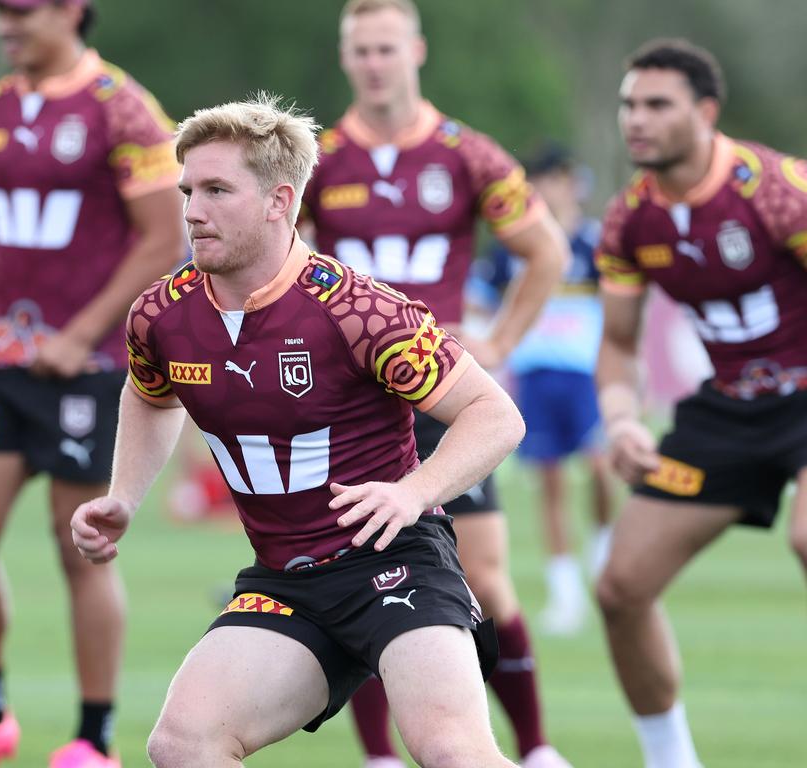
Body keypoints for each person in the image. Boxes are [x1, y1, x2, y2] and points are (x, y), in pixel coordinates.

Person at [72, 93, 524, 768]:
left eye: (218, 190)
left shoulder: (357, 309)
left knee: (450, 750)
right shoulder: (161, 315)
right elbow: (150, 395)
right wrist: (124, 497)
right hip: (285, 583)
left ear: (279, 201)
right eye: (188, 189)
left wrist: (411, 492)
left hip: (394, 563)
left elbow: (495, 416)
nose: (193, 210)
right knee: (182, 745)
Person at [299, 2, 572, 766]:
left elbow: (544, 249)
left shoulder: (465, 152)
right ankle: (381, 756)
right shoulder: (319, 158)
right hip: (351, 401)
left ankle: (538, 747)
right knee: (358, 571)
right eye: (361, 50)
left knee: (482, 573)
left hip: (437, 396)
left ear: (415, 50)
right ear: (346, 57)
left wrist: (502, 339)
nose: (374, 62)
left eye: (387, 47)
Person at [0, 1, 185, 766]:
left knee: (81, 550)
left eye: (20, 9)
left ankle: (92, 738)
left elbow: (163, 238)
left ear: (72, 9)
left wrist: (81, 334)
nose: (4, 23)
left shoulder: (124, 110)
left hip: (91, 368)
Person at [595, 38, 807, 768]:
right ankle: (671, 760)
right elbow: (619, 346)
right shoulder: (629, 221)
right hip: (728, 411)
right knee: (621, 586)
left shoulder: (777, 189)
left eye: (657, 105)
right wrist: (622, 419)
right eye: (629, 105)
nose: (636, 120)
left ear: (706, 113)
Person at [475, 143, 614, 636]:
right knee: (551, 484)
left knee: (600, 469)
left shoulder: (594, 244)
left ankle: (602, 545)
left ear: (571, 182)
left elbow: (620, 313)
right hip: (534, 376)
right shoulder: (510, 249)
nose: (546, 190)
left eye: (554, 179)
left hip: (583, 376)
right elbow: (483, 302)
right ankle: (566, 591)